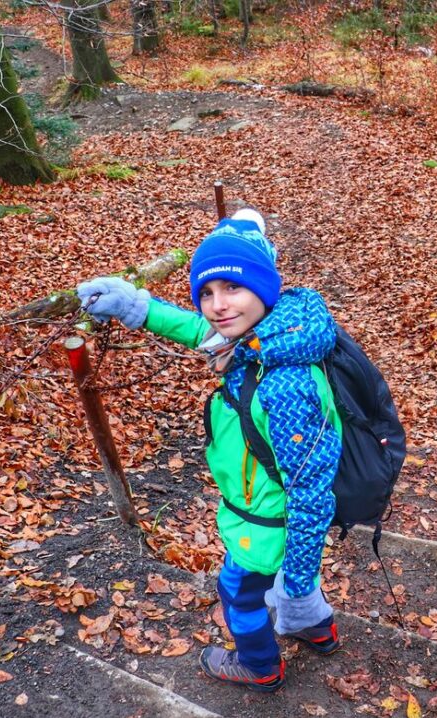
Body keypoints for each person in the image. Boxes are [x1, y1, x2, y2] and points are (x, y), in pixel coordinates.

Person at [76, 209, 341, 693]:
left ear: (264, 289)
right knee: (289, 585)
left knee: (239, 596)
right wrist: (137, 307)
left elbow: (312, 493)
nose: (217, 306)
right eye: (206, 293)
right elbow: (200, 331)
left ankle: (260, 666)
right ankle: (318, 631)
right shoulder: (265, 339)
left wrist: (300, 582)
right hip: (267, 513)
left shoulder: (283, 385)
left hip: (267, 524)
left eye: (232, 289)